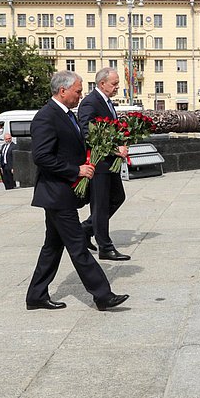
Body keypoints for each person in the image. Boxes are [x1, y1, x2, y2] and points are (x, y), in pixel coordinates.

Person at [26, 71, 128, 312]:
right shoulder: (46, 117)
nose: (81, 96)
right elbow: (41, 157)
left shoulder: (66, 115)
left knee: (52, 247)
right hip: (56, 193)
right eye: (78, 91)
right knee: (78, 246)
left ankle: (36, 295)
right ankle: (102, 295)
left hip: (63, 193)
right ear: (63, 91)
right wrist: (76, 170)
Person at [77, 67, 130, 261]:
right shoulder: (90, 102)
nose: (117, 87)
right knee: (100, 206)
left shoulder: (107, 102)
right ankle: (105, 247)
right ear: (102, 84)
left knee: (117, 197)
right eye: (114, 84)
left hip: (110, 162)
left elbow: (110, 129)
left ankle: (85, 229)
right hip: (98, 162)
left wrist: (122, 143)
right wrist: (115, 149)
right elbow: (88, 132)